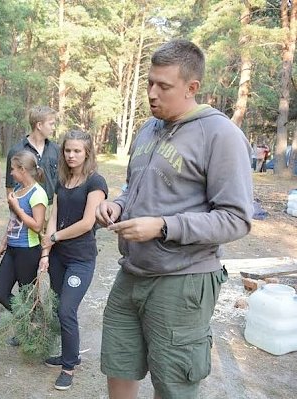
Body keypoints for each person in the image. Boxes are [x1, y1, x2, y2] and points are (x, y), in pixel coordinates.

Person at [95, 39, 253, 399]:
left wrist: (164, 226)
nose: (151, 93)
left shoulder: (221, 134)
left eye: (163, 86)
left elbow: (237, 219)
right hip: (132, 273)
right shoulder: (148, 129)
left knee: (174, 385)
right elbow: (134, 187)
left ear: (191, 87)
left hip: (183, 281)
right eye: (149, 83)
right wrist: (118, 206)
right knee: (118, 366)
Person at [39, 130, 108, 391]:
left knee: (67, 310)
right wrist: (47, 251)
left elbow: (87, 223)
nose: (71, 155)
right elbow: (54, 214)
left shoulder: (96, 182)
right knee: (60, 306)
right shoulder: (62, 180)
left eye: (77, 151)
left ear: (87, 153)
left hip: (81, 259)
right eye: (67, 150)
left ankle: (69, 368)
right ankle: (70, 354)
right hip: (58, 257)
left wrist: (54, 236)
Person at [0, 150, 47, 320]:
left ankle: (33, 328)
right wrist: (4, 242)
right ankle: (26, 322)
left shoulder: (38, 193)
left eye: (13, 169)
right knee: (0, 292)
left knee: (27, 297)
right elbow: (13, 220)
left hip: (28, 251)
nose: (10, 173)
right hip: (12, 249)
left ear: (23, 170)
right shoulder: (18, 189)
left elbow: (38, 226)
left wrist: (17, 207)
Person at [6, 106, 59, 207]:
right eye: (51, 124)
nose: (53, 127)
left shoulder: (56, 150)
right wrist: (16, 211)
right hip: (25, 209)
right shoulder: (16, 151)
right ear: (39, 125)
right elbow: (10, 187)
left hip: (51, 208)